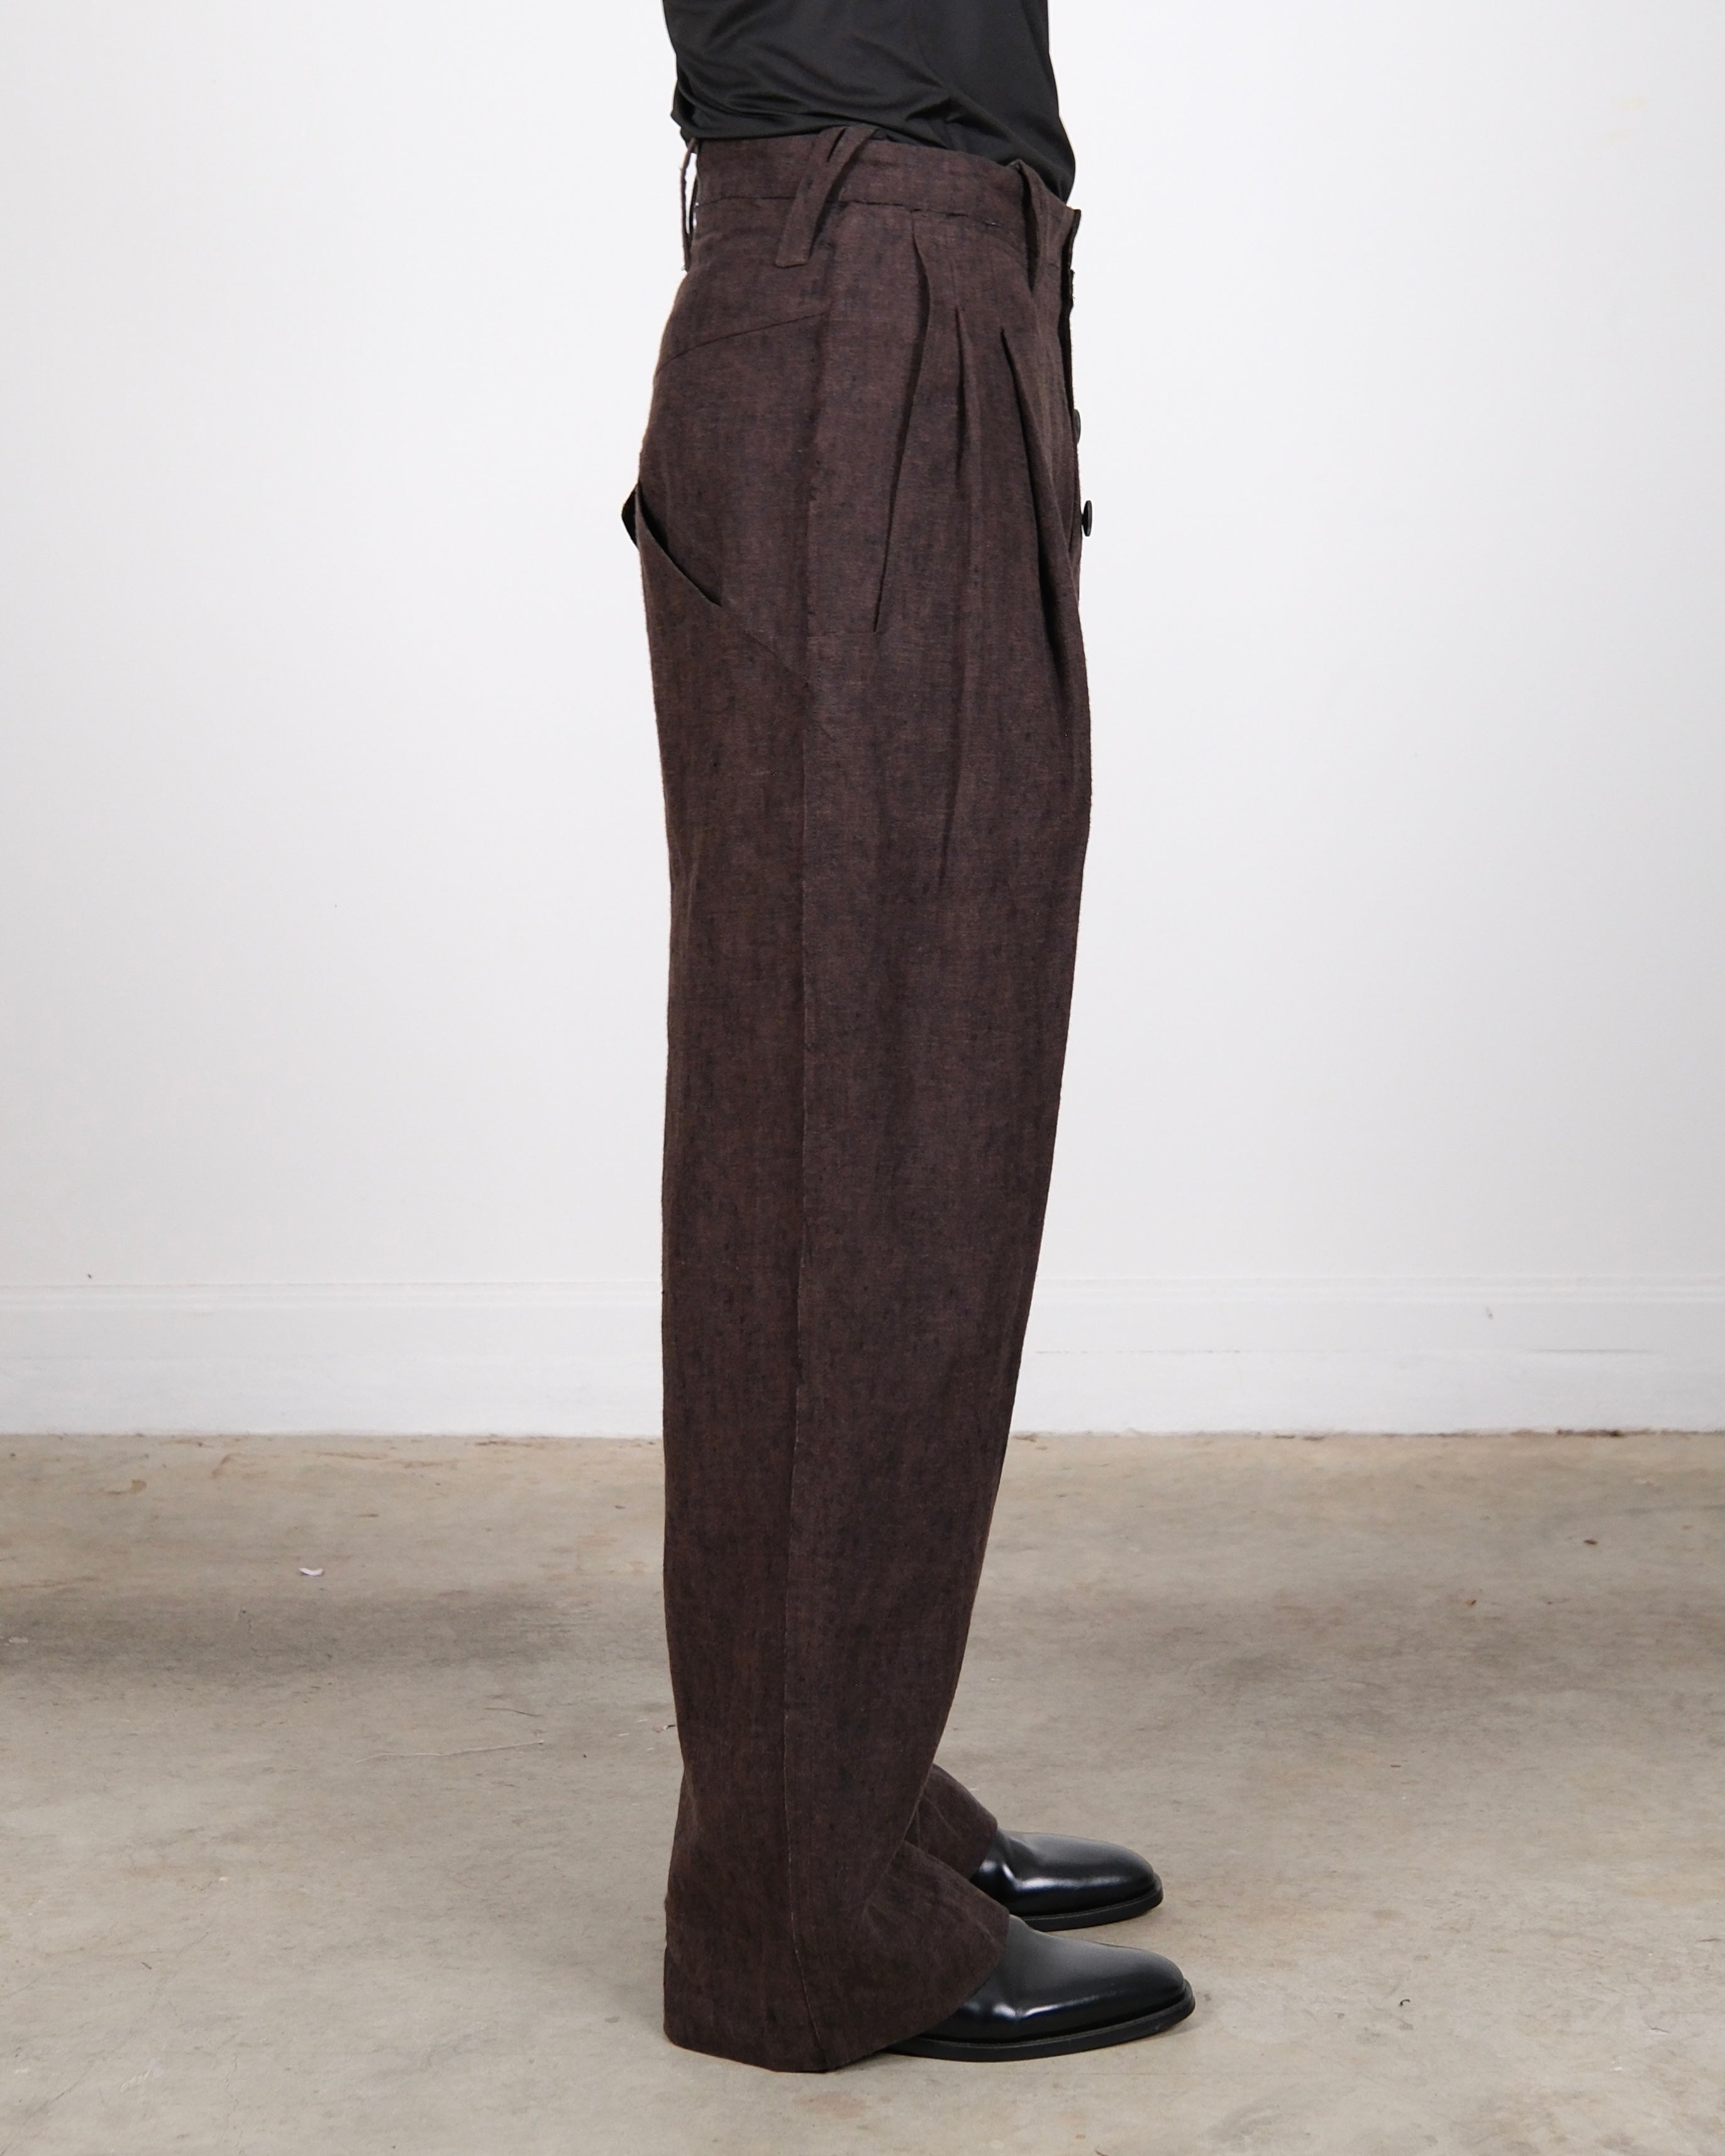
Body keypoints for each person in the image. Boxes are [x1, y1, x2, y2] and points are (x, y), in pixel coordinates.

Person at [626, 0, 1194, 2070]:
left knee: (930, 1095)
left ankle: (837, 1793)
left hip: (939, 284)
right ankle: (798, 1917)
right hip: (866, 290)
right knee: (845, 1125)